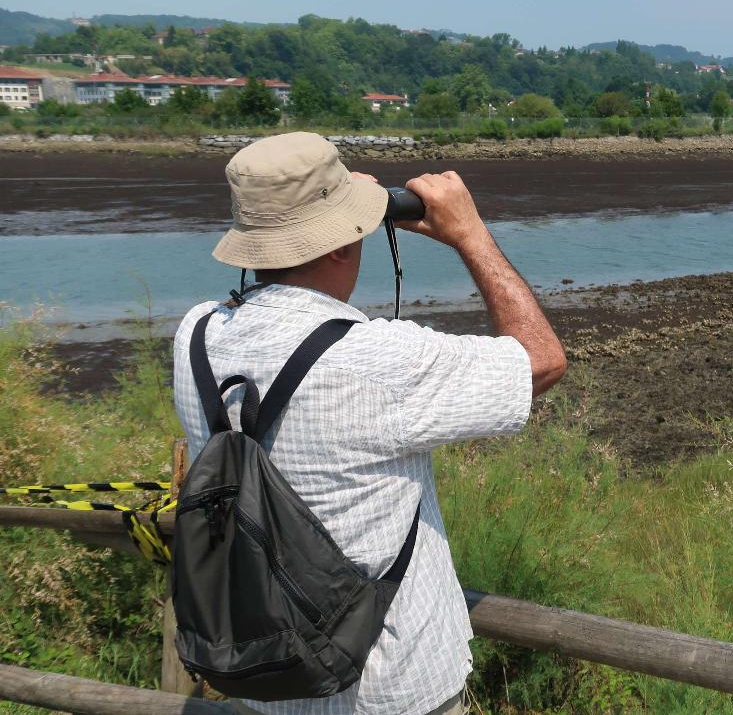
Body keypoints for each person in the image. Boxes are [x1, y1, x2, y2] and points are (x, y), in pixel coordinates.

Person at [172, 132, 566, 715]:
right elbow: (541, 360)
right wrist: (470, 234)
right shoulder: (379, 360)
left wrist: (342, 210)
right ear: (342, 243)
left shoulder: (197, 335)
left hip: (264, 682)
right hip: (388, 690)